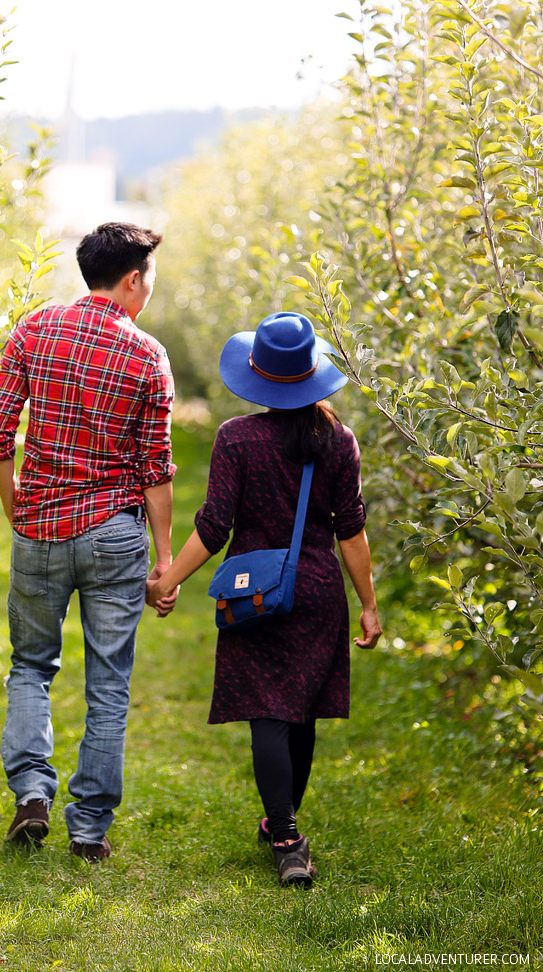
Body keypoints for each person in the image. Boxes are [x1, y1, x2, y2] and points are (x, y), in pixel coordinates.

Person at [146, 311, 382, 887]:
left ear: (258, 375)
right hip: (320, 592)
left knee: (268, 713)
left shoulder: (237, 438)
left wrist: (169, 578)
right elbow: (350, 529)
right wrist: (369, 603)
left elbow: (214, 526)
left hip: (255, 595)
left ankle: (284, 834)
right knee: (300, 713)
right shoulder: (340, 440)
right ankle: (284, 824)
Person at [0, 222, 176, 862]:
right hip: (115, 535)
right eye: (150, 277)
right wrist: (166, 559)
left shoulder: (34, 330)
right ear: (131, 279)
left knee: (30, 666)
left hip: (39, 528)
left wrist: (19, 508)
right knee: (109, 685)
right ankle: (89, 829)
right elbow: (155, 467)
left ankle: (32, 794)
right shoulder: (147, 353)